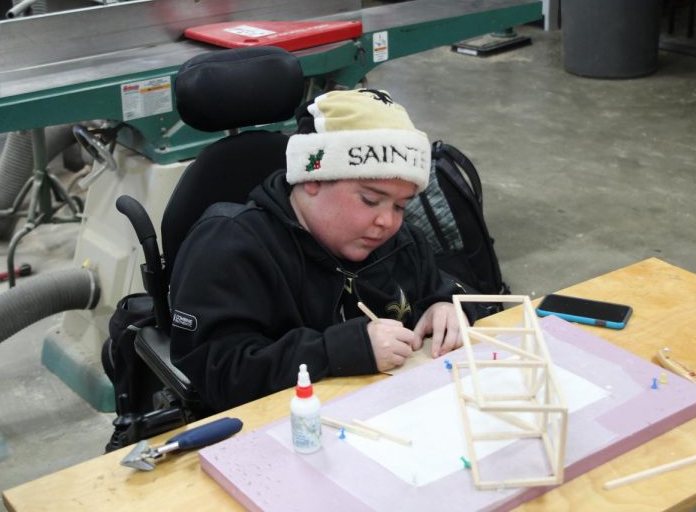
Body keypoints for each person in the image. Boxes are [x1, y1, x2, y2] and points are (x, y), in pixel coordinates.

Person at [168, 88, 477, 412]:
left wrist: (450, 307)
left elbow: (448, 290)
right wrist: (342, 351)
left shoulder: (401, 241)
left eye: (401, 205)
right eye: (370, 200)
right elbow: (220, 374)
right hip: (281, 431)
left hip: (389, 414)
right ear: (312, 178)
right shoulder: (230, 245)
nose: (387, 221)